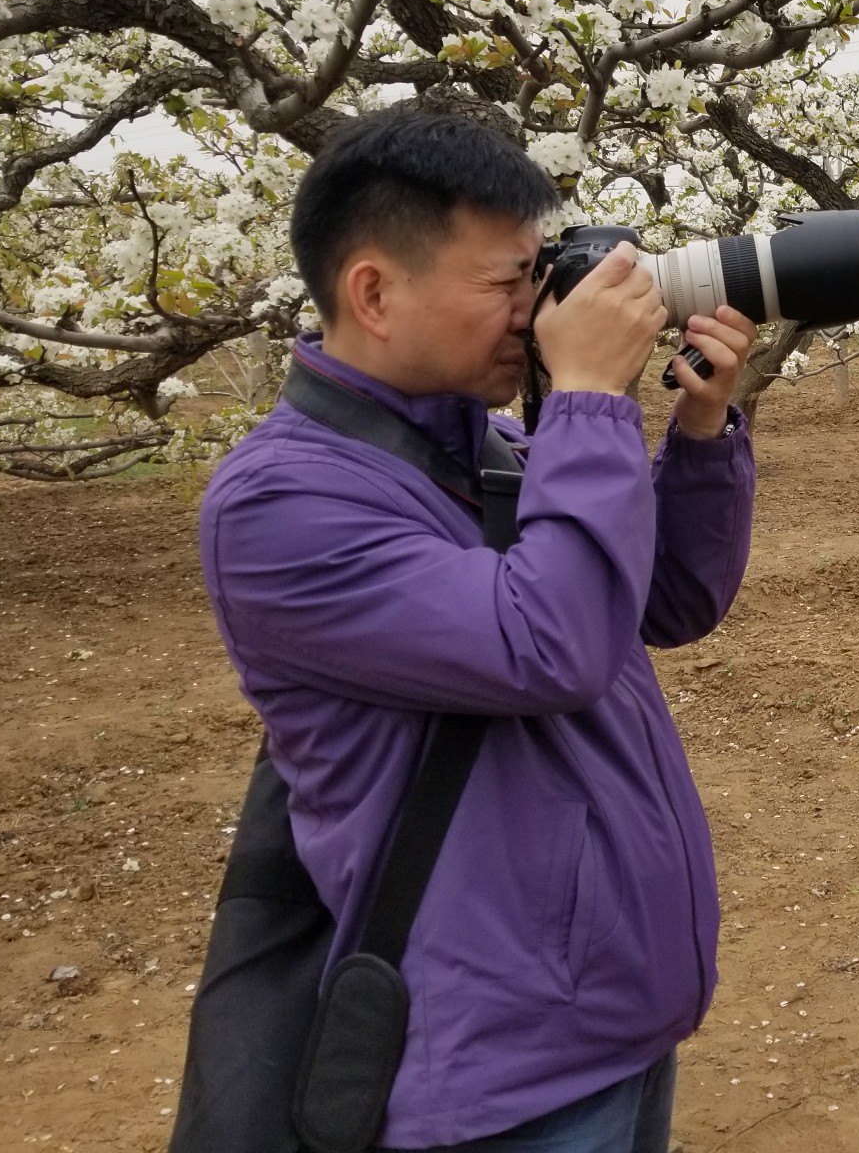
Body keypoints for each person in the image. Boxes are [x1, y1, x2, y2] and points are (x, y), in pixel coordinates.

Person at [199, 112, 758, 1152]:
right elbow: (551, 645)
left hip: (620, 1020)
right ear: (374, 291)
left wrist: (701, 432)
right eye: (508, 283)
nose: (536, 308)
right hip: (507, 1071)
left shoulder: (492, 447)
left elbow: (668, 600)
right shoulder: (279, 503)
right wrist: (588, 398)